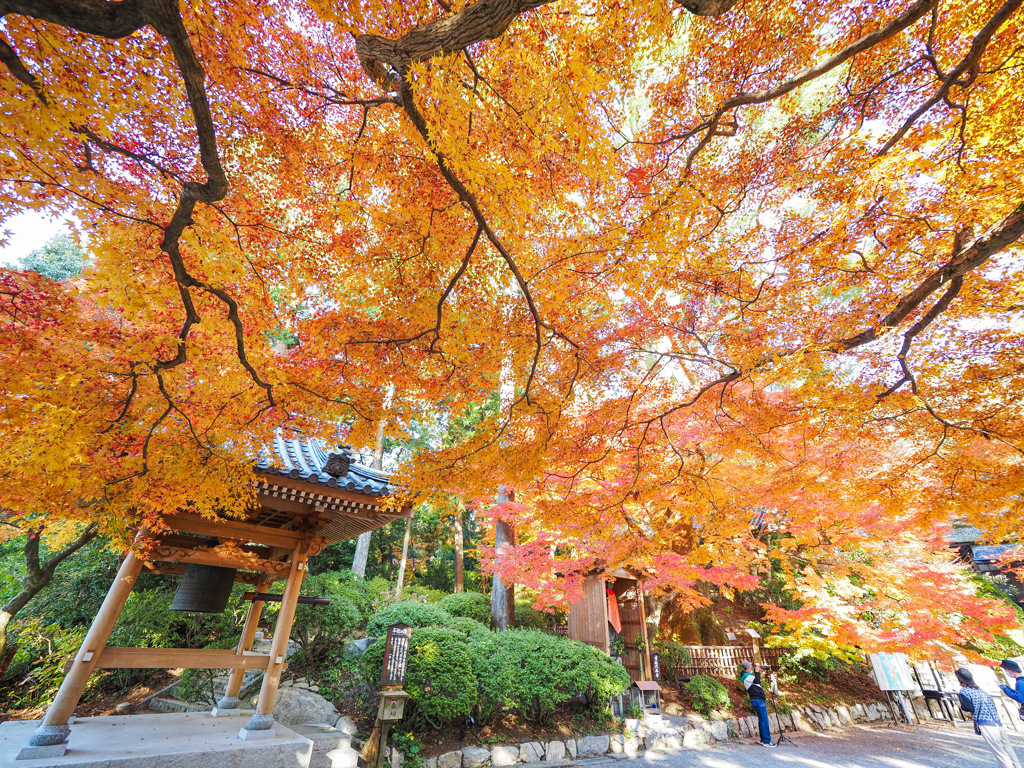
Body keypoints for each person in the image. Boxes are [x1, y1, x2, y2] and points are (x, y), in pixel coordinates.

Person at [957, 667, 1023, 768]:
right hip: (997, 722)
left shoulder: (964, 691)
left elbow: (968, 708)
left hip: (985, 724)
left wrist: (959, 704)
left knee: (1000, 753)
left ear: (960, 680)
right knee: (1008, 749)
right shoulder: (981, 691)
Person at [740, 660, 776, 748]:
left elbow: (756, 681)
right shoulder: (746, 676)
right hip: (757, 700)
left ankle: (763, 739)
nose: (752, 668)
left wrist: (759, 672)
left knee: (762, 720)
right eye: (751, 667)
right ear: (747, 668)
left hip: (758, 699)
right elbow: (757, 681)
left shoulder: (747, 676)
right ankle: (766, 741)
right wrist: (757, 672)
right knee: (764, 720)